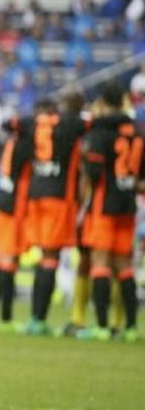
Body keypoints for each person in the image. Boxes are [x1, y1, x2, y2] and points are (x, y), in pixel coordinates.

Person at [16, 95, 88, 336]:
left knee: (44, 258)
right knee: (50, 258)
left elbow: (11, 124)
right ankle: (39, 319)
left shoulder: (34, 125)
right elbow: (92, 124)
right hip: (59, 198)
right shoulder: (70, 125)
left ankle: (36, 318)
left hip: (36, 196)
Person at [77, 82, 141, 342]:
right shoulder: (137, 133)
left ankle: (102, 326)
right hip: (128, 205)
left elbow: (92, 173)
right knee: (124, 266)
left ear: (102, 102)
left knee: (100, 263)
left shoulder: (101, 133)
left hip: (104, 205)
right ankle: (131, 327)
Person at [0, 125, 33, 331]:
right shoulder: (24, 147)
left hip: (2, 205)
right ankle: (6, 318)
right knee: (8, 261)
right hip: (14, 209)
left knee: (2, 259)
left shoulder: (9, 144)